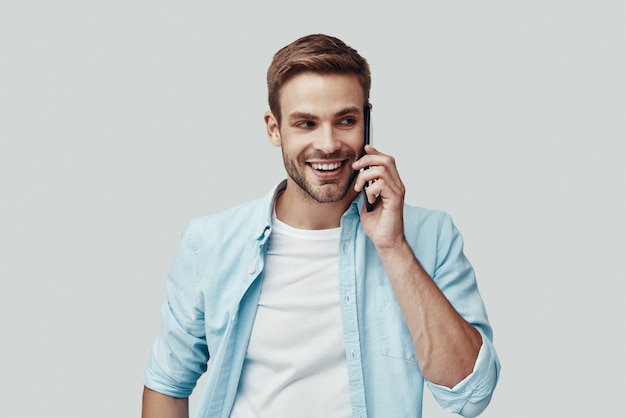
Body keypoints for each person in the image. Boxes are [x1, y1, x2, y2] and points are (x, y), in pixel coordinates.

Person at [142, 33, 501, 418]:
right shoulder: (209, 243)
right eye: (306, 123)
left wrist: (393, 247)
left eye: (346, 120)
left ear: (368, 121)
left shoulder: (430, 237)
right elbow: (167, 384)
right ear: (274, 128)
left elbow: (469, 393)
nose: (328, 144)